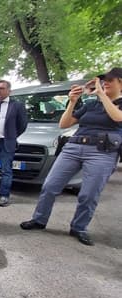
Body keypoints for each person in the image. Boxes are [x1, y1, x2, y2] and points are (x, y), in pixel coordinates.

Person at [20, 68, 122, 245]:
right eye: (103, 80)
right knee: (50, 186)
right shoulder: (91, 105)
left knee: (89, 194)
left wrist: (100, 94)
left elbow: (117, 117)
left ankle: (79, 227)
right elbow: (64, 123)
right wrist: (72, 101)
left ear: (120, 82)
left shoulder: (115, 103)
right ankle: (39, 219)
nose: (104, 83)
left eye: (109, 80)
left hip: (102, 153)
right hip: (74, 147)